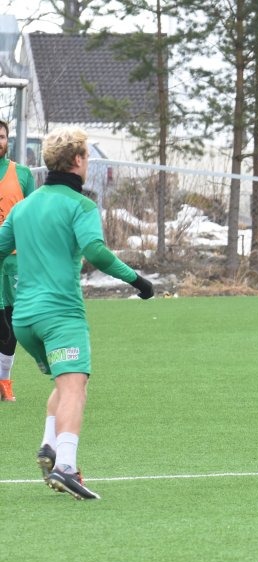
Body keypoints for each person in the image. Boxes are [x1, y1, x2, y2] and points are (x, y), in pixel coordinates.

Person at [0, 126, 154, 500]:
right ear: (79, 160)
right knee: (73, 387)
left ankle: (49, 447)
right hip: (60, 315)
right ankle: (66, 467)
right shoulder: (80, 205)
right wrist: (137, 281)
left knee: (67, 383)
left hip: (24, 320)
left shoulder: (23, 207)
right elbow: (95, 251)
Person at [0, 119, 36, 402]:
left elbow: (34, 218)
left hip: (13, 262)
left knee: (12, 323)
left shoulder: (22, 174)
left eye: (1, 136)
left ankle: (4, 380)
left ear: (7, 140)